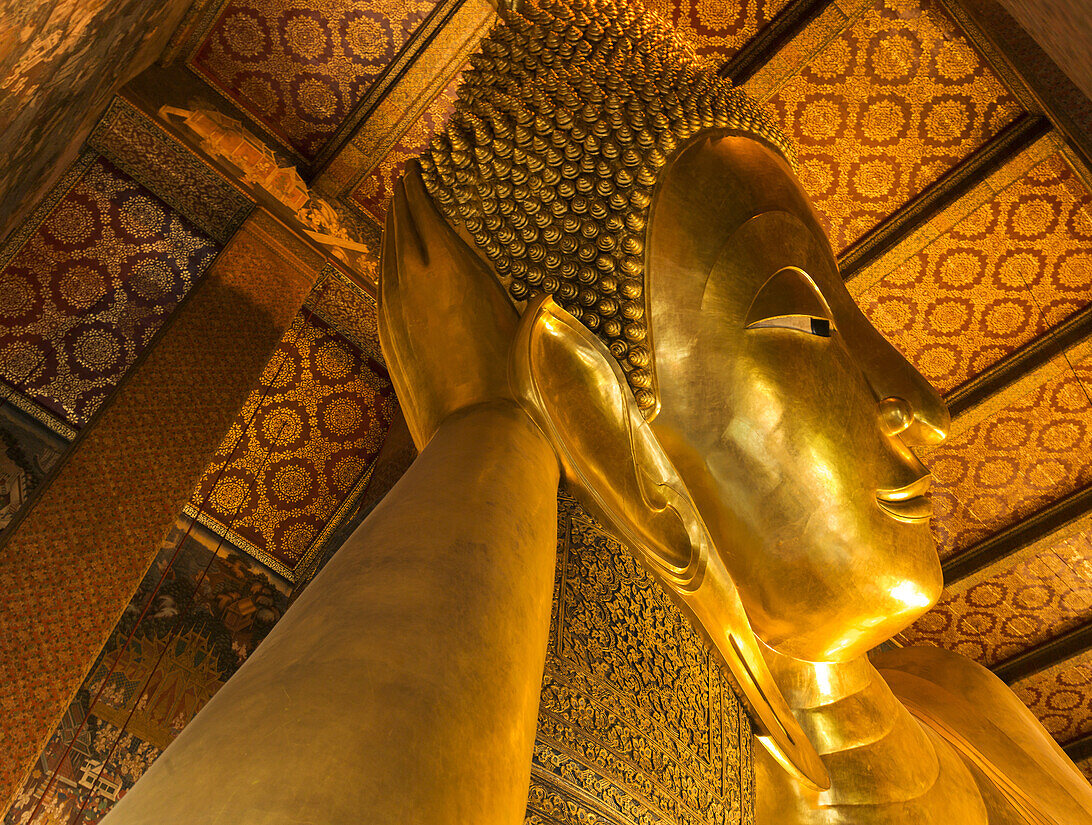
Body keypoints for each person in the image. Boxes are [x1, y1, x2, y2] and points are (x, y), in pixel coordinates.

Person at [104, 0, 1092, 822]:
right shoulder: (599, 765)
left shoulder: (971, 708)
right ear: (596, 414)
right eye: (807, 322)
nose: (922, 407)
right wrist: (491, 424)